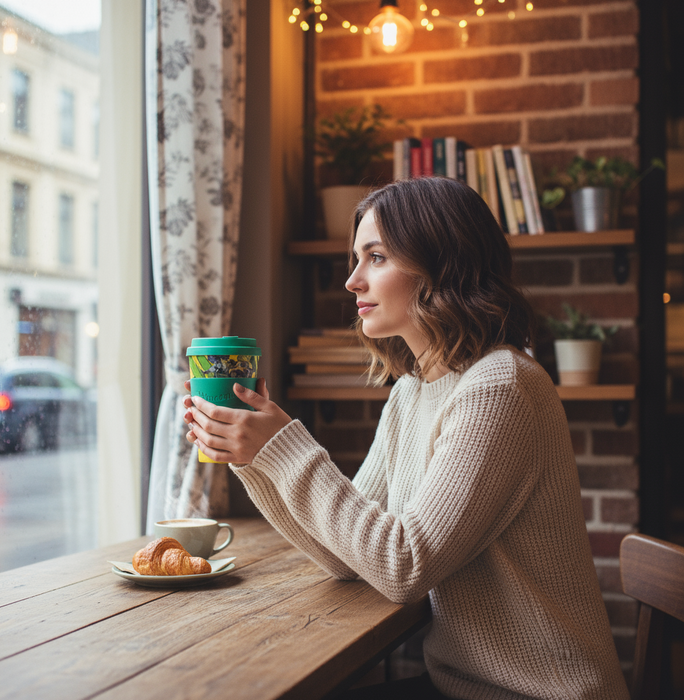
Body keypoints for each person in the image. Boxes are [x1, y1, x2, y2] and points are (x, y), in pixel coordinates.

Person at [183, 177, 630, 700]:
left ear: (442, 263)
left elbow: (403, 567)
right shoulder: (411, 393)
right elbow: (348, 558)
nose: (352, 281)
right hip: (463, 687)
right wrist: (255, 457)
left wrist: (285, 450)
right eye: (355, 259)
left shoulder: (500, 386)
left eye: (375, 257)